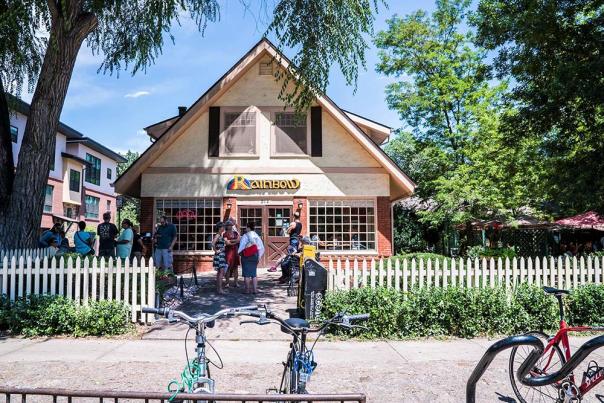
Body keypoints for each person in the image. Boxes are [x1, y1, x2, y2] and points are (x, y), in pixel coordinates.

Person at [238, 222, 265, 294]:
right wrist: (259, 256)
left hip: (246, 256)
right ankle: (255, 290)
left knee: (246, 274)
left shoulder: (245, 236)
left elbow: (241, 246)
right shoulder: (256, 236)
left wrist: (240, 254)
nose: (245, 228)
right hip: (255, 256)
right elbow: (261, 247)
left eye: (246, 227)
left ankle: (247, 290)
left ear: (248, 228)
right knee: (253, 274)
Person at [223, 220, 241, 288]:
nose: (230, 226)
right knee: (228, 267)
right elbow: (227, 243)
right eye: (229, 225)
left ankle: (236, 282)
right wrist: (235, 241)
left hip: (235, 252)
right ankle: (227, 282)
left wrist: (231, 241)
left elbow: (239, 240)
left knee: (235, 268)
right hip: (228, 252)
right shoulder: (225, 234)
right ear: (226, 226)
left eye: (231, 225)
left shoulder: (235, 233)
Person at [212, 222, 228, 294]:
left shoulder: (220, 235)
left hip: (221, 255)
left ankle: (219, 289)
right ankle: (220, 289)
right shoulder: (218, 235)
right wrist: (216, 251)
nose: (224, 228)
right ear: (219, 228)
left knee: (220, 272)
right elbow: (213, 243)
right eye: (223, 227)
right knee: (221, 272)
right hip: (220, 256)